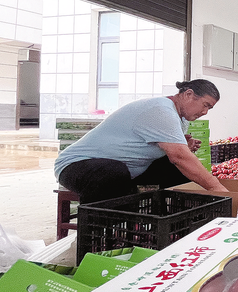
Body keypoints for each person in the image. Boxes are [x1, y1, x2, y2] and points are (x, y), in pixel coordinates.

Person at [55, 79, 229, 205]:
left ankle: (162, 221)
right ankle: (96, 232)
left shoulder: (180, 119)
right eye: (205, 105)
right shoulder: (161, 110)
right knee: (114, 172)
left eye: (209, 108)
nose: (205, 112)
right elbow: (179, 157)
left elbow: (174, 154)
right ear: (188, 94)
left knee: (175, 170)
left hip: (126, 171)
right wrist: (217, 189)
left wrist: (183, 146)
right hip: (76, 166)